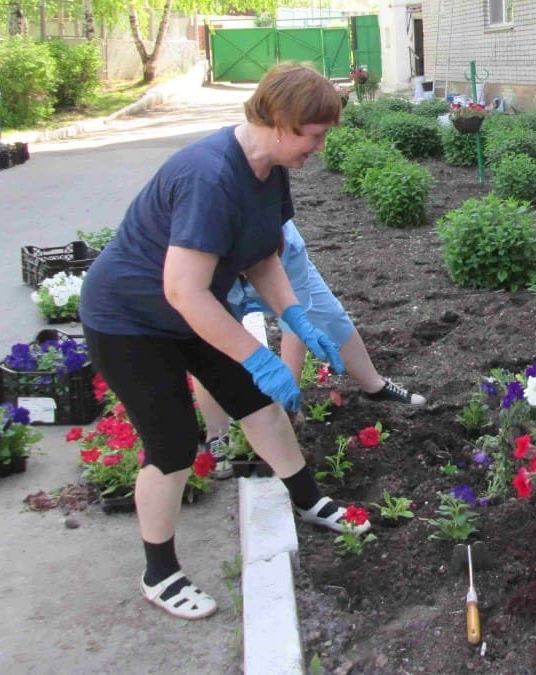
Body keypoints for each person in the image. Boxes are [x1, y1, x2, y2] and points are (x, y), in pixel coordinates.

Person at [78, 63, 369, 621]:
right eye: (316, 134)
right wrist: (258, 355)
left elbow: (263, 254)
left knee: (256, 403)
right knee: (174, 442)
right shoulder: (210, 177)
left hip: (192, 310)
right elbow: (183, 291)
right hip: (130, 320)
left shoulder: (272, 167)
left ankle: (307, 499)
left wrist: (294, 318)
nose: (321, 146)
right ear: (282, 124)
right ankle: (159, 572)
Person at [195, 218, 425, 479]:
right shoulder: (203, 253)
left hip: (279, 270)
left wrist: (286, 398)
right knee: (208, 348)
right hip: (217, 281)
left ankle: (374, 386)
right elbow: (205, 324)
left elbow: (295, 322)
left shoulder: (288, 248)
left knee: (329, 316)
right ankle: (217, 435)